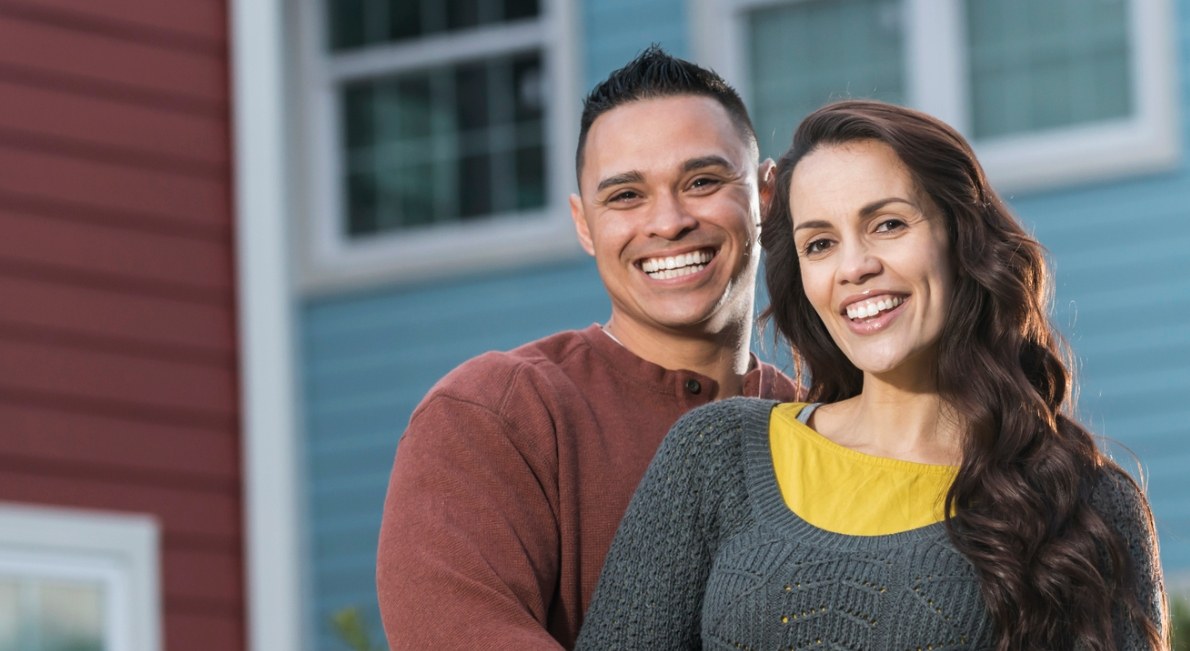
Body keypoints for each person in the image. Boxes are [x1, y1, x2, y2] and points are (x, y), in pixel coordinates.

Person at [576, 99, 1170, 650]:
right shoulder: (716, 455)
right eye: (820, 244)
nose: (855, 268)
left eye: (888, 224)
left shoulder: (1084, 503)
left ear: (960, 239)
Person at [375, 46, 798, 649]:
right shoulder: (494, 415)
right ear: (584, 224)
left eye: (702, 181)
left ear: (765, 196)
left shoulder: (829, 422)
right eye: (626, 195)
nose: (669, 221)